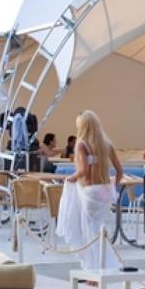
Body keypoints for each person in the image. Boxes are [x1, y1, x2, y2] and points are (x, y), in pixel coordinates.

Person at [58, 110, 124, 269]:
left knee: (89, 233)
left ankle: (94, 269)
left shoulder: (82, 145)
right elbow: (120, 171)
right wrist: (113, 188)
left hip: (90, 192)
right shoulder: (107, 146)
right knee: (98, 230)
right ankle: (104, 266)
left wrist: (70, 178)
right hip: (105, 192)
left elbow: (83, 171)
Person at [10, 107, 28, 171]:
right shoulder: (19, 120)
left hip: (18, 146)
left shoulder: (17, 120)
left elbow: (15, 134)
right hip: (19, 146)